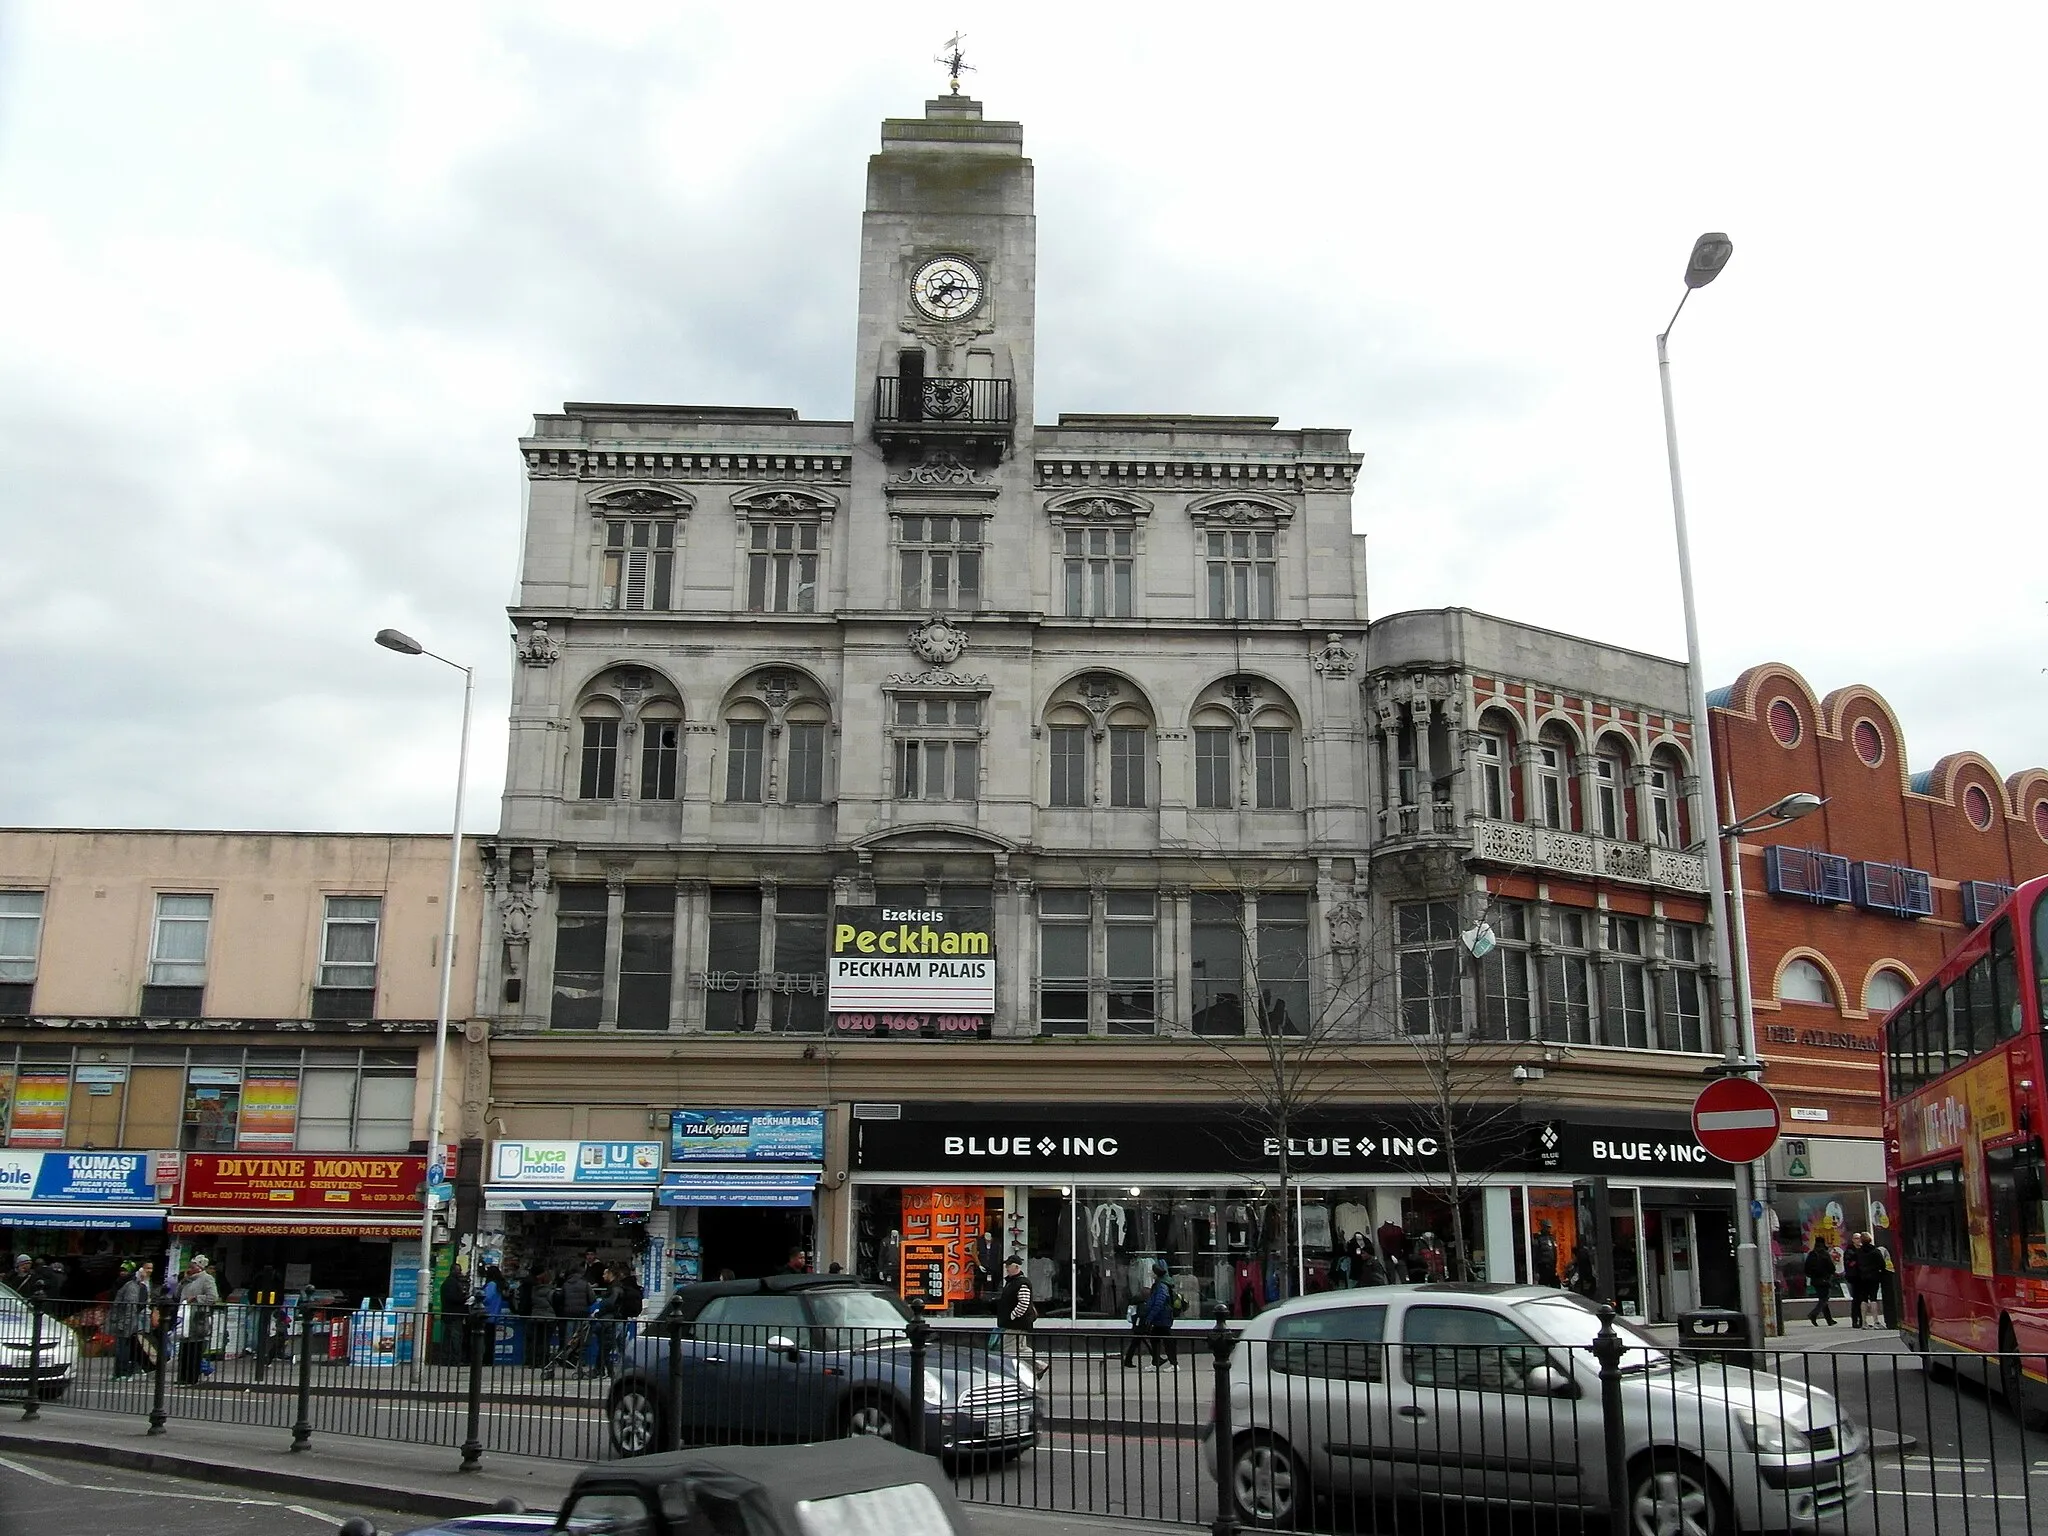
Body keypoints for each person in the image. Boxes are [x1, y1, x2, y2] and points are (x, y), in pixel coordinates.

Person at [176, 1255, 220, 1384]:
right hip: (184, 1318)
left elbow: (213, 1297)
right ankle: (182, 1377)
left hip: (197, 1318)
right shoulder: (187, 1280)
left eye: (192, 1266)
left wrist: (196, 1298)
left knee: (194, 1350)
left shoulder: (207, 1279)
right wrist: (182, 1282)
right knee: (184, 1350)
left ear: (199, 1267)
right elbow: (177, 1295)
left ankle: (191, 1378)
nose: (190, 1268)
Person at [1123, 1261, 1175, 1368]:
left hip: (1162, 1318)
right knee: (1154, 1339)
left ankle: (1173, 1363)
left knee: (1166, 1341)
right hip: (1159, 1318)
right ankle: (1155, 1362)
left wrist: (1150, 1316)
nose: (1151, 1273)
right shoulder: (1160, 1283)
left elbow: (1159, 1302)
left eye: (1153, 1272)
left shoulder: (1162, 1285)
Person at [110, 1260, 150, 1380]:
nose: (123, 1273)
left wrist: (121, 1321)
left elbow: (129, 1305)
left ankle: (122, 1372)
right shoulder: (132, 1286)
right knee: (124, 1346)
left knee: (123, 1347)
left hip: (127, 1320)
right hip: (128, 1320)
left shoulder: (132, 1286)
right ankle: (122, 1372)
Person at [996, 1254, 1036, 1360]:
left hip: (1016, 1325)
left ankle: (1015, 1372)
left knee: (1009, 1351)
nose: (1006, 1268)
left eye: (1009, 1266)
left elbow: (1024, 1303)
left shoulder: (1021, 1283)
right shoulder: (1013, 1282)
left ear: (1017, 1267)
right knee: (1020, 1349)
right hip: (1016, 1324)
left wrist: (1012, 1316)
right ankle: (1039, 1366)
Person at [1849, 1232, 1888, 1329]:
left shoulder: (1858, 1252)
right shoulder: (1875, 1251)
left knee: (1863, 1299)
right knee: (1873, 1298)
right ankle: (1876, 1321)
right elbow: (1882, 1265)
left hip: (1862, 1278)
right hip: (1874, 1277)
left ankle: (1864, 1322)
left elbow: (1855, 1265)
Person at [1803, 1236, 1839, 1327]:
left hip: (1815, 1280)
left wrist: (1812, 1275)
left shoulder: (1812, 1254)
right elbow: (1831, 1268)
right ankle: (1813, 1314)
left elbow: (1806, 1268)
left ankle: (1829, 1319)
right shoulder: (1824, 1254)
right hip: (1825, 1279)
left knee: (1822, 1299)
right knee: (1824, 1299)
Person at [1532, 1222, 1560, 1288]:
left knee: (1555, 1286)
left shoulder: (1551, 1238)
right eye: (1547, 1227)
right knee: (1543, 1285)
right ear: (1543, 1227)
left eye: (1549, 1227)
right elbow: (1535, 1254)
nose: (1549, 1229)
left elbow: (1554, 1252)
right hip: (1543, 1266)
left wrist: (1555, 1266)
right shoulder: (1538, 1238)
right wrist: (1536, 1270)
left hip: (1552, 1266)